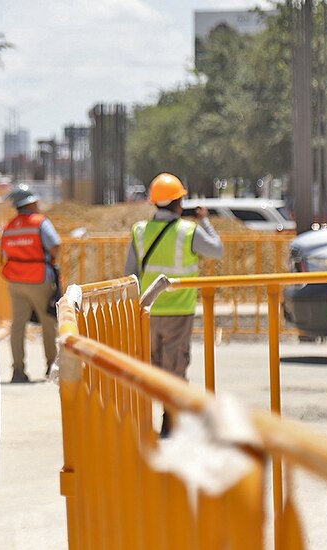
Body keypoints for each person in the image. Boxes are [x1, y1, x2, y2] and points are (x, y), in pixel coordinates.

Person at [124, 172, 222, 436]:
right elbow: (217, 250)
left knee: (150, 368)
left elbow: (129, 273)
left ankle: (148, 421)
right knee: (175, 368)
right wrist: (205, 222)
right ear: (179, 203)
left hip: (148, 311)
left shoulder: (140, 231)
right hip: (178, 311)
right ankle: (171, 420)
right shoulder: (188, 231)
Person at [0, 188, 61, 383]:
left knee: (17, 326)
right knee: (48, 323)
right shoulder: (40, 222)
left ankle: (18, 371)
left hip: (15, 281)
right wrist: (49, 261)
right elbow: (55, 245)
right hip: (39, 279)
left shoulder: (9, 226)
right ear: (29, 204)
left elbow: (2, 254)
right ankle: (51, 367)